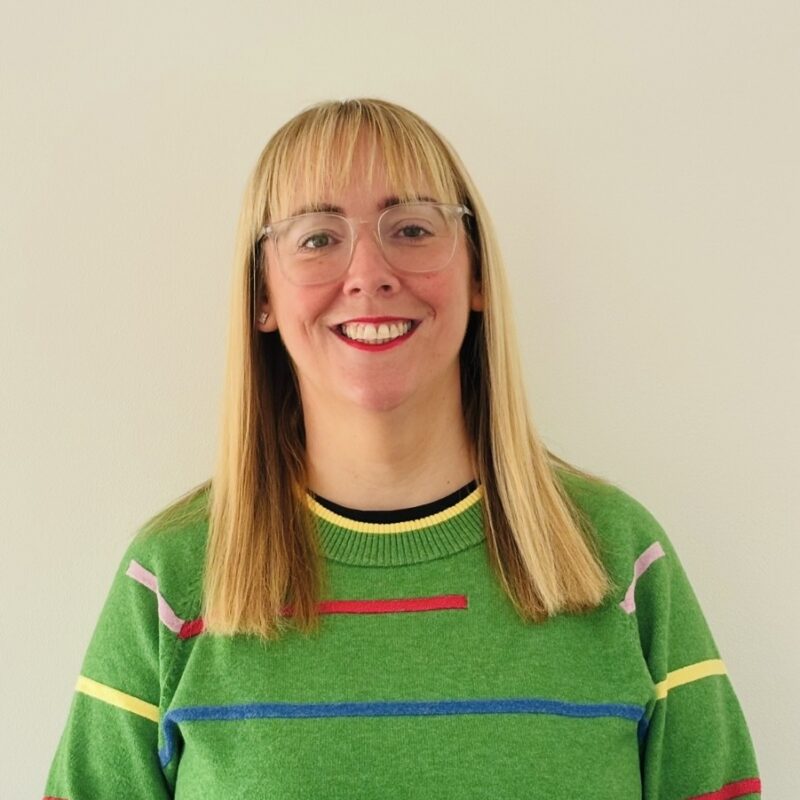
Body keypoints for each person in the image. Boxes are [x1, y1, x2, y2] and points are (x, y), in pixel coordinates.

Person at [44, 98, 760, 799]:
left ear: (476, 275)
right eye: (317, 238)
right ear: (262, 295)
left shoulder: (617, 562)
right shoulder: (173, 581)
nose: (369, 273)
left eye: (412, 228)